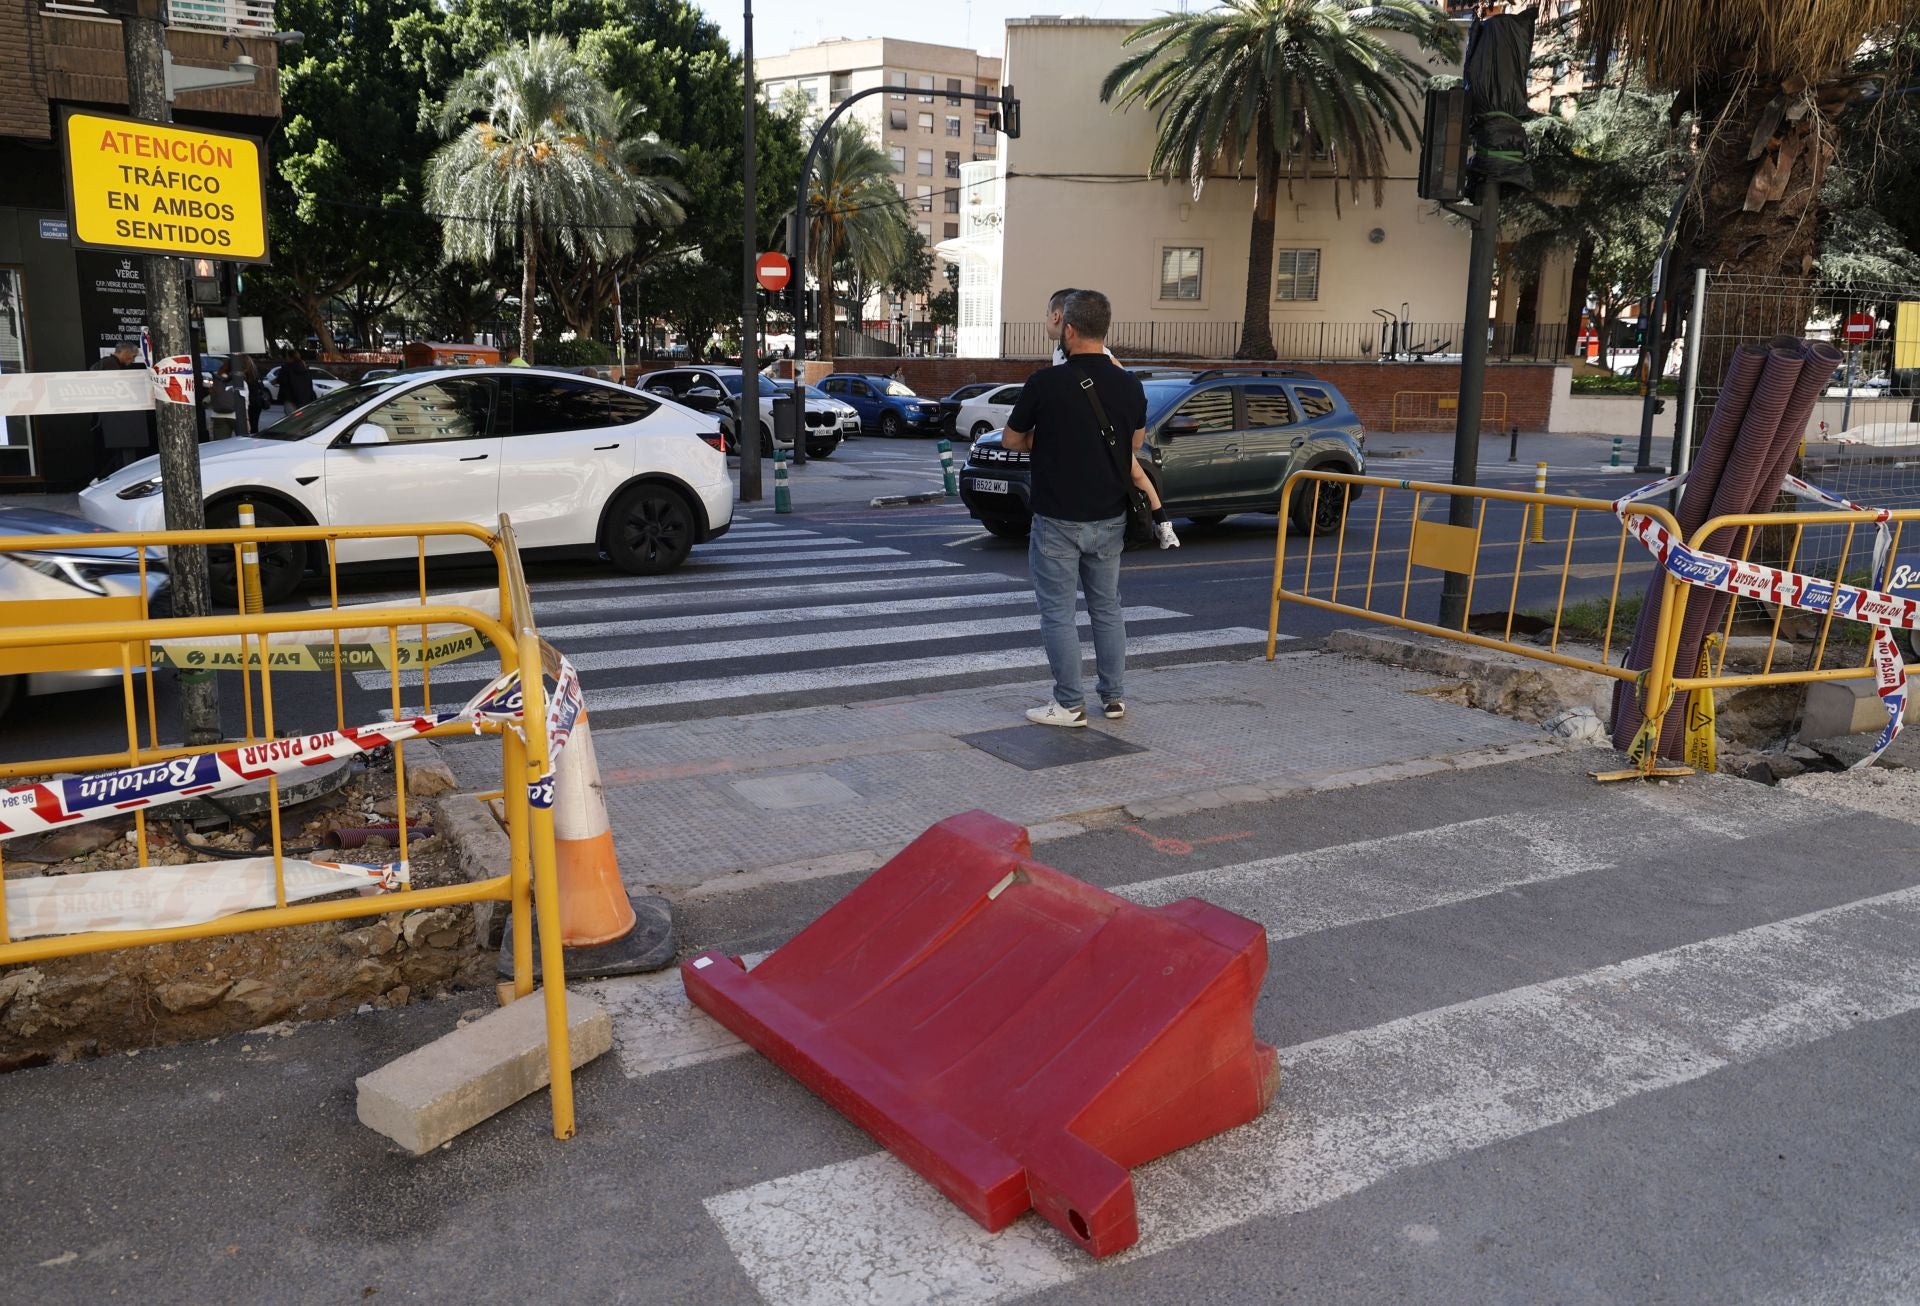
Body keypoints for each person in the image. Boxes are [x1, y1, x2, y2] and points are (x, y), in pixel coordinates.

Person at [1002, 289, 1145, 727]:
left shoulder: (1045, 383)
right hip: (1110, 517)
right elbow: (1134, 446)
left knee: (1058, 614)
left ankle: (1069, 704)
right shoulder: (1129, 384)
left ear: (1069, 328)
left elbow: (1010, 439)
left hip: (1057, 518)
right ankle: (1114, 697)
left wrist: (1048, 442)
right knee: (1107, 608)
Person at [1043, 287, 1178, 550]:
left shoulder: (1094, 353)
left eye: (1046, 314)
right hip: (1100, 428)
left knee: (1136, 472)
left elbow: (1120, 376)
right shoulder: (1061, 353)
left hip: (1103, 429)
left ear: (1059, 318)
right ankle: (1162, 520)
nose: (1045, 320)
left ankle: (1162, 521)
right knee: (1134, 472)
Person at [90, 343, 150, 475]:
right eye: (133, 357)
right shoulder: (110, 365)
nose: (133, 360)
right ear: (125, 352)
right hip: (116, 420)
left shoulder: (105, 364)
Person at [207, 363, 244, 439]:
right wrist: (247, 420)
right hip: (236, 416)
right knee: (242, 442)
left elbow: (211, 396)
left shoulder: (216, 381)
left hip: (218, 416)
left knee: (221, 444)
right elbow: (244, 399)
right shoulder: (239, 381)